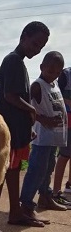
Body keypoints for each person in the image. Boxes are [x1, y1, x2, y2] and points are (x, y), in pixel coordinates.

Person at [0, 21, 50, 232]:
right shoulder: (13, 60)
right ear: (24, 36)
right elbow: (10, 96)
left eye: (41, 46)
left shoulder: (20, 63)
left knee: (14, 172)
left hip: (18, 131)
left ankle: (15, 212)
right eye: (35, 43)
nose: (37, 49)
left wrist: (27, 126)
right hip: (9, 132)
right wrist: (32, 109)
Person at [20, 51, 69, 220]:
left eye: (57, 72)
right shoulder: (37, 85)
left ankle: (45, 197)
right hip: (42, 138)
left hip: (53, 138)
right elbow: (24, 106)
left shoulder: (54, 84)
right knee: (36, 171)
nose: (53, 74)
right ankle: (26, 205)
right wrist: (42, 119)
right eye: (50, 71)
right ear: (42, 67)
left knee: (48, 169)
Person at [52, 67, 71, 204]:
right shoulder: (66, 74)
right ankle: (56, 191)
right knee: (64, 155)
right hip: (68, 118)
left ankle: (69, 184)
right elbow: (58, 95)